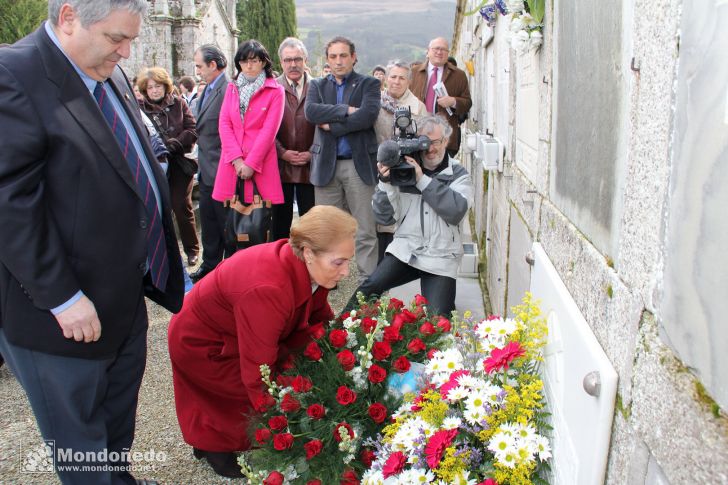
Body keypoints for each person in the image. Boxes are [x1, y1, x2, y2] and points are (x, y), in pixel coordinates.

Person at [0, 2, 184, 484]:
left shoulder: (106, 69)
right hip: (62, 313)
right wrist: (62, 297)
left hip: (122, 296)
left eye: (130, 40)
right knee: (80, 444)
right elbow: (10, 205)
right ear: (68, 17)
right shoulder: (13, 74)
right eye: (115, 38)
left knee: (115, 424)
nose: (126, 53)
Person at [168, 205, 356, 478]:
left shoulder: (305, 265)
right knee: (234, 396)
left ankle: (208, 439)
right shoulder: (269, 289)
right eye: (339, 262)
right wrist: (283, 425)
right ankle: (213, 447)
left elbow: (316, 311)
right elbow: (258, 372)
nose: (346, 272)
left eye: (348, 260)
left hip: (232, 328)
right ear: (307, 252)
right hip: (204, 341)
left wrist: (334, 342)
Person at [346, 115, 473, 317]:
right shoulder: (402, 169)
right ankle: (336, 333)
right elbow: (384, 218)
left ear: (446, 141)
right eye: (424, 143)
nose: (430, 149)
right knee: (368, 289)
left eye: (436, 142)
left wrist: (421, 179)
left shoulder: (458, 173)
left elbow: (455, 210)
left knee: (439, 320)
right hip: (406, 250)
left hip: (441, 256)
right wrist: (385, 181)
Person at [304, 36, 381, 280]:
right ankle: (328, 278)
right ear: (327, 60)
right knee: (327, 229)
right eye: (333, 56)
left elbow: (367, 116)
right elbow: (311, 112)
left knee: (365, 228)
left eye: (343, 56)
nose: (338, 61)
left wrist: (333, 126)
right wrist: (346, 111)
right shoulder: (316, 85)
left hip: (358, 167)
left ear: (353, 57)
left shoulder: (368, 84)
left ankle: (367, 283)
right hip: (326, 166)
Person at [212, 39, 285, 222]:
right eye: (244, 61)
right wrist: (237, 160)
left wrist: (251, 163)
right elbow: (224, 123)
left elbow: (269, 131)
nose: (249, 66)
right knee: (231, 223)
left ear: (263, 62)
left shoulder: (275, 91)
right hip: (232, 162)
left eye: (254, 60)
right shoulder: (232, 88)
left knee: (261, 223)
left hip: (261, 162)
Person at [137, 67, 200, 267]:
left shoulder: (179, 103)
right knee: (157, 209)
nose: (155, 90)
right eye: (150, 87)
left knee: (181, 206)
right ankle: (163, 253)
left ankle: (192, 249)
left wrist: (175, 143)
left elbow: (192, 129)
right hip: (155, 164)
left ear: (166, 86)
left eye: (158, 86)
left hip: (180, 164)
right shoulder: (139, 108)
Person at [373, 59, 428, 261]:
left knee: (398, 218)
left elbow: (424, 139)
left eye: (402, 78)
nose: (396, 81)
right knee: (379, 216)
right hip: (378, 168)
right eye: (393, 76)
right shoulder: (374, 101)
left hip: (405, 171)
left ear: (409, 82)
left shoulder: (418, 107)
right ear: (387, 79)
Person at [190, 44, 231, 282]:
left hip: (222, 172)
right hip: (205, 171)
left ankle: (227, 271)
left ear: (213, 65)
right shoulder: (206, 90)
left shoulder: (228, 90)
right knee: (208, 223)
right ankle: (210, 265)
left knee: (226, 226)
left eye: (199, 66)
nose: (197, 71)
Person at [272, 37, 316, 240]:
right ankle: (279, 267)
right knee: (279, 224)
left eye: (297, 58)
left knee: (312, 224)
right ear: (281, 62)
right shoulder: (272, 89)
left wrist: (312, 152)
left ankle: (311, 268)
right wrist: (282, 152)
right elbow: (265, 129)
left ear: (305, 59)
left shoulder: (318, 88)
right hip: (279, 167)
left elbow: (326, 128)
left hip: (312, 166)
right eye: (288, 60)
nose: (293, 64)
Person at [410, 37, 472, 157]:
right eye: (436, 49)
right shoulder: (414, 72)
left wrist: (453, 101)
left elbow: (467, 103)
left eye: (444, 50)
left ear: (448, 53)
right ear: (428, 52)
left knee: (442, 174)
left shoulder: (458, 75)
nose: (439, 52)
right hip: (416, 134)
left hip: (444, 137)